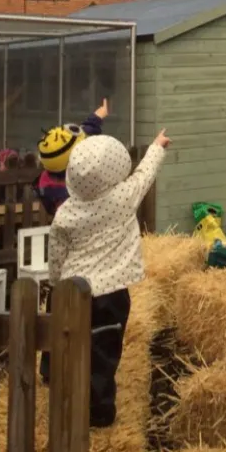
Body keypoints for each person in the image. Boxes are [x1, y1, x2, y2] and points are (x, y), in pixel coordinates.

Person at [48, 128, 170, 427]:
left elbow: (56, 252)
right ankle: (98, 415)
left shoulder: (65, 213)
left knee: (59, 337)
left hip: (70, 290)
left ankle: (49, 374)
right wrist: (157, 145)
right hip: (109, 295)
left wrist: (54, 283)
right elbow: (144, 175)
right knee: (102, 352)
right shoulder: (122, 199)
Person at [35, 123, 86, 386]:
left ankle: (49, 368)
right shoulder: (67, 192)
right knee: (67, 312)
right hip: (73, 255)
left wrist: (95, 118)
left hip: (63, 259)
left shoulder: (45, 178)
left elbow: (72, 137)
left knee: (56, 308)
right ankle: (60, 366)